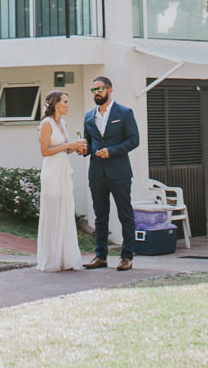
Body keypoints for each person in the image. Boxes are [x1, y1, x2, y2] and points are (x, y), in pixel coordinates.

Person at [82, 75, 140, 271]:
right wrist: (83, 149)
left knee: (125, 214)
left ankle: (127, 256)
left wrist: (112, 151)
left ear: (109, 90)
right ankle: (100, 256)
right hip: (96, 173)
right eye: (93, 90)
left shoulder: (124, 113)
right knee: (100, 216)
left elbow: (134, 140)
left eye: (99, 89)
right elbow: (89, 144)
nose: (96, 93)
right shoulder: (89, 117)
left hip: (119, 172)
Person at [36, 89, 87, 272]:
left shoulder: (63, 123)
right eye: (65, 101)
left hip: (63, 171)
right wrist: (68, 145)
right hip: (51, 172)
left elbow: (64, 150)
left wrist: (76, 146)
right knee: (52, 212)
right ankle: (51, 259)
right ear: (56, 104)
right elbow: (45, 151)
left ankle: (65, 258)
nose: (68, 105)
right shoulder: (46, 124)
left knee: (65, 210)